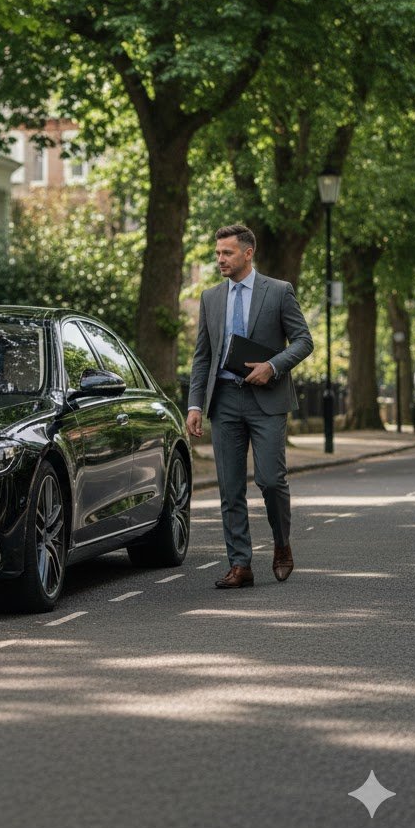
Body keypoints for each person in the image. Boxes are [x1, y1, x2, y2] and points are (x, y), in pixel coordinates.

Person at [186, 224, 314, 589]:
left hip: (267, 400)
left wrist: (272, 366)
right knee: (229, 487)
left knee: (271, 481)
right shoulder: (210, 298)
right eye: (217, 253)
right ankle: (240, 564)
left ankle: (281, 544)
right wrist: (195, 404)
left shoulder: (278, 291)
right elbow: (202, 357)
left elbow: (304, 341)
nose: (220, 259)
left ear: (247, 253)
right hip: (224, 400)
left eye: (226, 253)